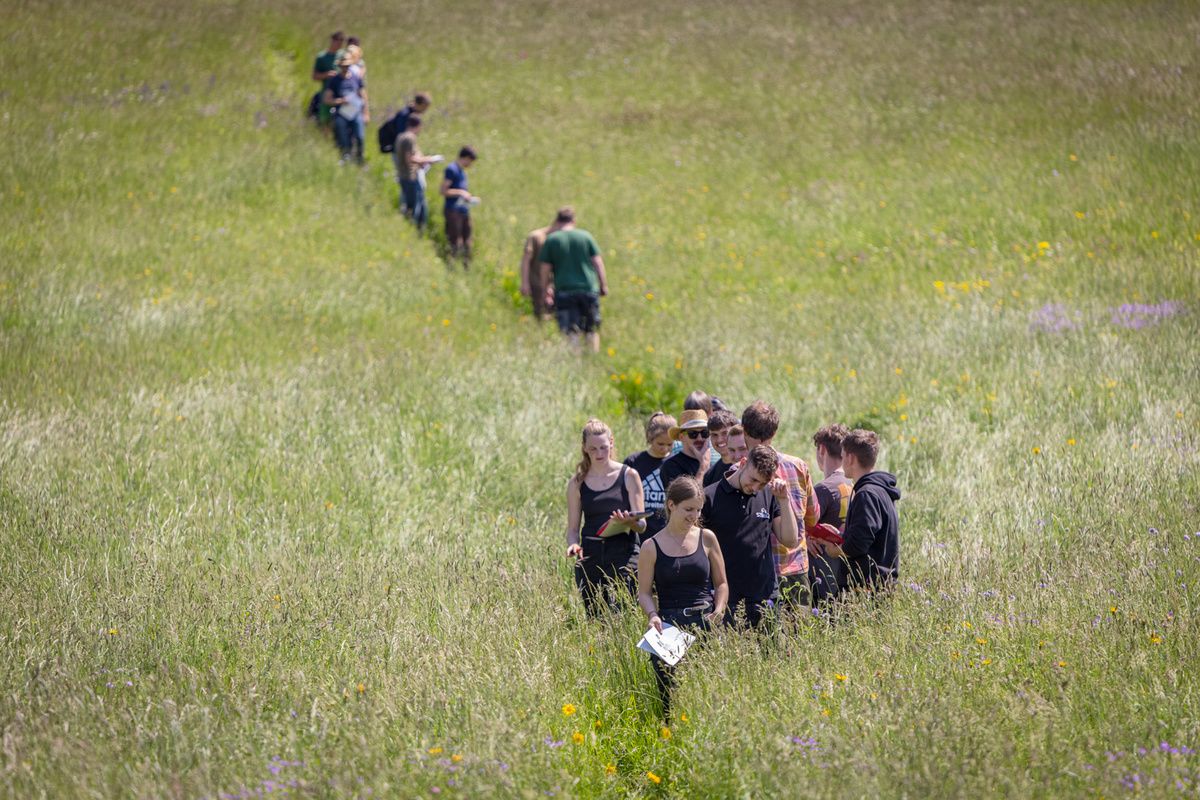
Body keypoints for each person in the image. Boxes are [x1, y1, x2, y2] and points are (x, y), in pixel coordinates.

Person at [637, 476, 728, 718]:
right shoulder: (650, 546)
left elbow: (721, 584)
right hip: (668, 627)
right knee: (671, 701)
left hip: (706, 623)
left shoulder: (707, 538)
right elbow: (644, 592)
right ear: (671, 505)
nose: (694, 516)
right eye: (688, 509)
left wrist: (718, 610)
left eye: (698, 510)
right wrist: (652, 615)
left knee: (708, 698)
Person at [702, 445, 797, 628]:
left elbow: (790, 539)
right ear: (743, 463)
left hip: (766, 597)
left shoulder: (770, 495)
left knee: (773, 655)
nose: (755, 488)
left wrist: (784, 500)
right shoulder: (710, 497)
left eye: (762, 483)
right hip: (726, 599)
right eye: (753, 480)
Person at [740, 401, 821, 611]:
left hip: (759, 572)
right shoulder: (798, 466)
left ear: (743, 431)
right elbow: (812, 517)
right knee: (800, 638)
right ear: (774, 432)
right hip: (796, 566)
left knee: (765, 639)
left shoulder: (741, 473)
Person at [565, 419, 647, 617]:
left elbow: (642, 525)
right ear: (584, 448)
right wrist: (573, 545)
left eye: (603, 447)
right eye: (593, 449)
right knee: (595, 618)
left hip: (624, 552)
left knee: (623, 614)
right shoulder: (577, 483)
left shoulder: (629, 475)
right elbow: (573, 529)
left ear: (611, 443)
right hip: (590, 553)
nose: (600, 454)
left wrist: (629, 522)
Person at [816, 430, 900, 592]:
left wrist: (837, 550)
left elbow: (860, 544)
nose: (842, 461)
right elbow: (869, 537)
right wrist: (841, 537)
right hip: (880, 583)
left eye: (843, 455)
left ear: (851, 458)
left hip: (864, 588)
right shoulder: (880, 490)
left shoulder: (866, 494)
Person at [537, 207, 609, 353]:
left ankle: (575, 362)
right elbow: (598, 262)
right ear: (574, 221)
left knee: (571, 332)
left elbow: (545, 269)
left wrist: (545, 290)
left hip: (565, 291)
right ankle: (592, 360)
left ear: (557, 221)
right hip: (589, 290)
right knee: (591, 329)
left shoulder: (552, 239)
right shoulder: (586, 236)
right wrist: (603, 284)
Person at [642, 410, 710, 540]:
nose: (700, 438)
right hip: (681, 538)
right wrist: (703, 468)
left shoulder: (712, 464)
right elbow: (686, 500)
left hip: (706, 536)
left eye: (704, 433)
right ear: (681, 437)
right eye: (693, 434)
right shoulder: (671, 466)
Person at [809, 423, 854, 604]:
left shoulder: (824, 488)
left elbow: (799, 527)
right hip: (848, 576)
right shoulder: (854, 483)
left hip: (823, 580)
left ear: (822, 450)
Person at [623, 412, 676, 531]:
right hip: (639, 533)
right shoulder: (633, 462)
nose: (665, 448)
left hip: (667, 534)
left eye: (670, 444)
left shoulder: (677, 463)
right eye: (660, 444)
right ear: (649, 436)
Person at [394, 115, 440, 232]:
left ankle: (411, 229)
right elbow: (409, 159)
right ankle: (415, 231)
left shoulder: (401, 136)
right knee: (416, 207)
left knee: (410, 204)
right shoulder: (410, 138)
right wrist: (428, 160)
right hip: (411, 176)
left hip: (403, 175)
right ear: (419, 126)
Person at [323, 48, 367, 164]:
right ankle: (346, 159)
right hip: (341, 113)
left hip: (356, 112)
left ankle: (360, 159)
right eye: (343, 66)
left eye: (347, 65)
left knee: (360, 136)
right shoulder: (334, 80)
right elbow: (326, 99)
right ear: (339, 66)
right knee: (344, 138)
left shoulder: (356, 78)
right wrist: (340, 101)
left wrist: (366, 113)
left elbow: (363, 96)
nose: (345, 68)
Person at [519, 214, 565, 321]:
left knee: (559, 318)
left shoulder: (560, 239)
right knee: (540, 316)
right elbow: (525, 260)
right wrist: (524, 282)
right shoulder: (536, 236)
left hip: (557, 285)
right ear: (557, 223)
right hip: (537, 283)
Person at [440, 146, 479, 268]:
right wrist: (461, 193)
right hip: (453, 210)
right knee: (455, 240)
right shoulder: (452, 169)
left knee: (467, 239)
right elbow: (443, 190)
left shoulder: (462, 171)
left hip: (463, 210)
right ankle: (452, 265)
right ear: (466, 158)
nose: (470, 164)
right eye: (470, 161)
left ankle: (466, 265)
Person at [310, 31, 345, 124]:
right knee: (324, 116)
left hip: (341, 91)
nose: (339, 46)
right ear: (332, 41)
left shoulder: (343, 55)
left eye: (341, 44)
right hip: (326, 91)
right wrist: (326, 75)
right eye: (337, 43)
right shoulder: (322, 57)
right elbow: (314, 76)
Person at [702, 408, 739, 487]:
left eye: (725, 433)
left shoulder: (748, 466)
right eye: (714, 435)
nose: (719, 440)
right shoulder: (710, 475)